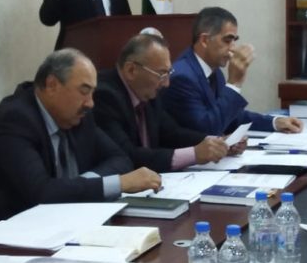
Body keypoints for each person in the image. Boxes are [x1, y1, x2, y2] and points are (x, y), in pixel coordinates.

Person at [0, 49, 160, 227]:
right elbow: (41, 193)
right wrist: (118, 183)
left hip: (60, 225)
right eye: (84, 91)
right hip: (4, 234)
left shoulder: (76, 115)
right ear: (52, 85)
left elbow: (120, 159)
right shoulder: (15, 119)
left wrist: (79, 185)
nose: (90, 103)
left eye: (92, 93)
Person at [94, 33, 229, 173]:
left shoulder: (147, 92)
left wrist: (216, 143)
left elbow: (172, 133)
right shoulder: (104, 96)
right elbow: (128, 155)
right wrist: (194, 154)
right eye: (161, 74)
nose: (166, 83)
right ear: (131, 70)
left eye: (168, 73)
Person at [162, 7, 303, 135]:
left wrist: (274, 122)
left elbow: (231, 117)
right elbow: (208, 130)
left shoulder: (214, 71)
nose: (233, 48)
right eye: (227, 40)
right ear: (204, 40)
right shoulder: (182, 77)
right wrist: (234, 83)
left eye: (234, 40)